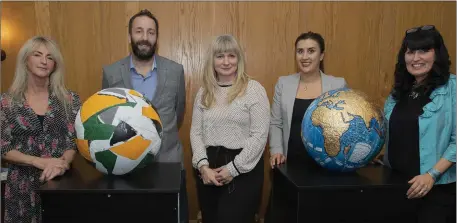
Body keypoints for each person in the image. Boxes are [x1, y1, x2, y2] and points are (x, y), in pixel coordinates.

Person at [101, 9, 188, 222]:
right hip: (125, 165)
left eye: (151, 32)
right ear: (130, 36)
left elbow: (178, 112)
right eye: (139, 31)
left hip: (167, 162)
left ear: (157, 37)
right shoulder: (111, 72)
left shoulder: (175, 71)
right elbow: (106, 115)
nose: (145, 38)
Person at [0, 36, 81, 223]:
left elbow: (73, 142)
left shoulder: (70, 100)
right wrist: (39, 162)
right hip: (21, 188)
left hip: (60, 183)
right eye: (37, 55)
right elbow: (3, 148)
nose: (44, 61)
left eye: (50, 57)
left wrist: (62, 164)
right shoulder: (6, 102)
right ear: (26, 59)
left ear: (55, 64)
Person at [190, 34, 270, 223]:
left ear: (239, 59)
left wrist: (233, 169)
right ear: (212, 60)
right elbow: (196, 133)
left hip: (243, 170)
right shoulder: (204, 92)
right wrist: (203, 167)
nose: (226, 62)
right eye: (220, 56)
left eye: (231, 56)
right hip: (208, 170)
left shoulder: (254, 89)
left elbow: (259, 136)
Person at [383, 25, 456, 223]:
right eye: (410, 52)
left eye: (424, 50)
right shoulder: (399, 91)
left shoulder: (453, 88)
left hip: (436, 192)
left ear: (437, 54)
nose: (416, 58)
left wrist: (431, 175)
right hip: (397, 188)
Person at [269, 31, 347, 168]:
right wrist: (276, 151)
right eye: (300, 51)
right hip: (290, 162)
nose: (305, 57)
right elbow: (276, 123)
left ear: (321, 55)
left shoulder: (338, 85)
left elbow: (347, 126)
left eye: (311, 51)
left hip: (327, 164)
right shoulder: (283, 84)